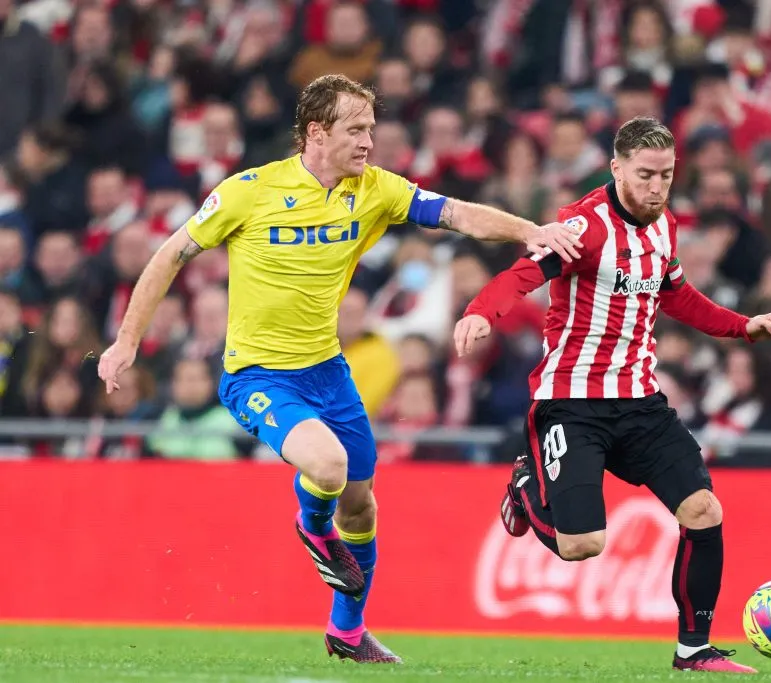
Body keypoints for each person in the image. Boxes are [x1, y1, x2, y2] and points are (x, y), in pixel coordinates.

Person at [97, 74, 581, 664]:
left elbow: (455, 214)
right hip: (257, 375)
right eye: (356, 129)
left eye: (372, 129)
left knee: (361, 503)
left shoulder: (375, 189)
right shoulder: (248, 191)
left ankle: (347, 633)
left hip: (327, 372)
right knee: (326, 468)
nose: (368, 142)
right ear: (316, 133)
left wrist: (532, 230)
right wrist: (126, 343)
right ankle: (313, 527)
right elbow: (170, 254)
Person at [453, 116, 771, 674]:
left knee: (704, 512)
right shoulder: (583, 228)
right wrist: (479, 312)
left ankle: (694, 650)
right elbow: (521, 275)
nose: (657, 187)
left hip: (640, 402)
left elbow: (677, 296)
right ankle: (524, 488)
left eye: (666, 175)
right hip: (571, 403)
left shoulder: (665, 227)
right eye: (644, 175)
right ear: (616, 169)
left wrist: (743, 325)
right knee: (582, 544)